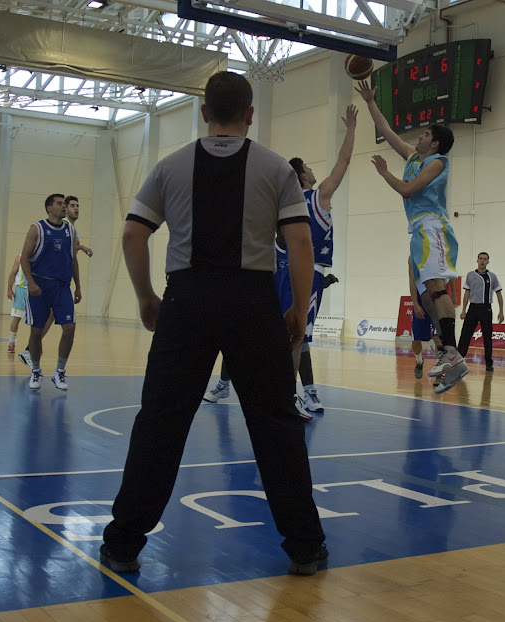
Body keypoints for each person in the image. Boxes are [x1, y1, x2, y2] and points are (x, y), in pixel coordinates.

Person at [101, 71, 327, 577]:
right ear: (250, 114)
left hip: (187, 302)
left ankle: (123, 544)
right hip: (253, 304)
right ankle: (306, 547)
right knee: (277, 424)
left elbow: (134, 234)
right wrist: (298, 309)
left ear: (204, 113)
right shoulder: (276, 167)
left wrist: (146, 298)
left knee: (160, 423)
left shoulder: (170, 166)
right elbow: (300, 242)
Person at [356, 80, 468, 394]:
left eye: (426, 134)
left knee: (437, 289)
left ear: (435, 143)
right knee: (426, 297)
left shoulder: (437, 163)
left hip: (433, 227)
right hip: (417, 231)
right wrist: (370, 102)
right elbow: (387, 130)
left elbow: (408, 190)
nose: (419, 136)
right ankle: (451, 357)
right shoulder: (413, 158)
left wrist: (384, 173)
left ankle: (452, 352)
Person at [283, 105, 357, 410]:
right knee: (297, 336)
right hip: (308, 273)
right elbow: (343, 161)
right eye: (309, 168)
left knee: (297, 335)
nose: (313, 171)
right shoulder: (319, 196)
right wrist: (351, 129)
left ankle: (308, 391)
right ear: (303, 176)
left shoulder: (285, 204)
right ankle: (288, 397)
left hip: (285, 272)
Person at [203, 270, 339, 416]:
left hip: (282, 302)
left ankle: (308, 392)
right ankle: (223, 386)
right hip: (258, 300)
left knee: (301, 340)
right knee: (235, 338)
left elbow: (300, 277)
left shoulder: (287, 261)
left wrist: (320, 282)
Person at [16, 194, 92, 369]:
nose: (74, 208)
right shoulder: (43, 227)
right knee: (41, 322)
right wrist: (31, 282)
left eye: (76, 205)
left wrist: (78, 286)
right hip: (41, 281)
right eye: (71, 205)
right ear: (51, 208)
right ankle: (30, 353)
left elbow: (71, 255)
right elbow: (29, 255)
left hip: (60, 284)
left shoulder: (71, 230)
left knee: (66, 324)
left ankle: (52, 366)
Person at [458, 252, 504, 371]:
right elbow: (466, 293)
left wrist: (501, 311)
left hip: (486, 309)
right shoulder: (470, 275)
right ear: (477, 260)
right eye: (481, 258)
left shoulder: (492, 276)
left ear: (488, 262)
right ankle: (458, 360)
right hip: (472, 308)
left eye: (485, 259)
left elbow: (498, 293)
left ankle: (489, 363)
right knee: (465, 334)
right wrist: (463, 310)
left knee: (487, 336)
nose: (482, 261)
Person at [408, 256, 443, 384]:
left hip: (435, 300)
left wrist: (452, 296)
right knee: (416, 340)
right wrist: (416, 304)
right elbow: (412, 282)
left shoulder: (436, 253)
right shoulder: (413, 257)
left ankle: (439, 370)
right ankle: (419, 361)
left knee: (437, 336)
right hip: (420, 300)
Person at [6, 255, 28, 353]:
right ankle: (11, 343)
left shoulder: (39, 256)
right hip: (21, 290)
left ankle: (33, 346)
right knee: (16, 318)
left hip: (34, 291)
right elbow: (12, 273)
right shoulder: (19, 258)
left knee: (37, 320)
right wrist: (9, 289)